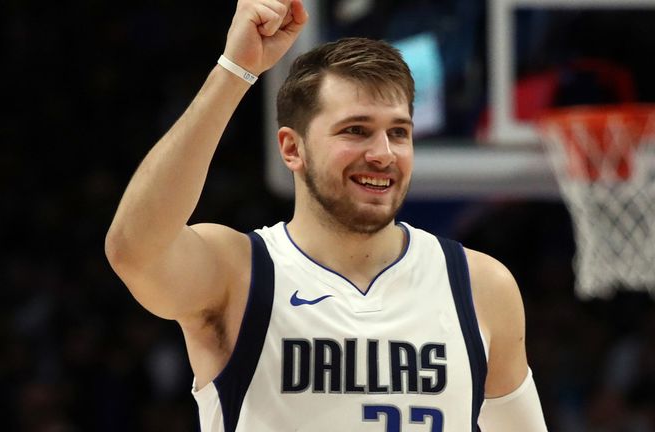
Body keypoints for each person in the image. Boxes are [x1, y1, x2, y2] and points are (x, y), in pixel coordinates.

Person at [105, 0, 547, 430]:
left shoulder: (480, 286)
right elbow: (135, 250)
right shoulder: (238, 272)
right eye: (356, 130)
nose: (383, 153)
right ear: (292, 148)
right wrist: (234, 71)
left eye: (398, 132)